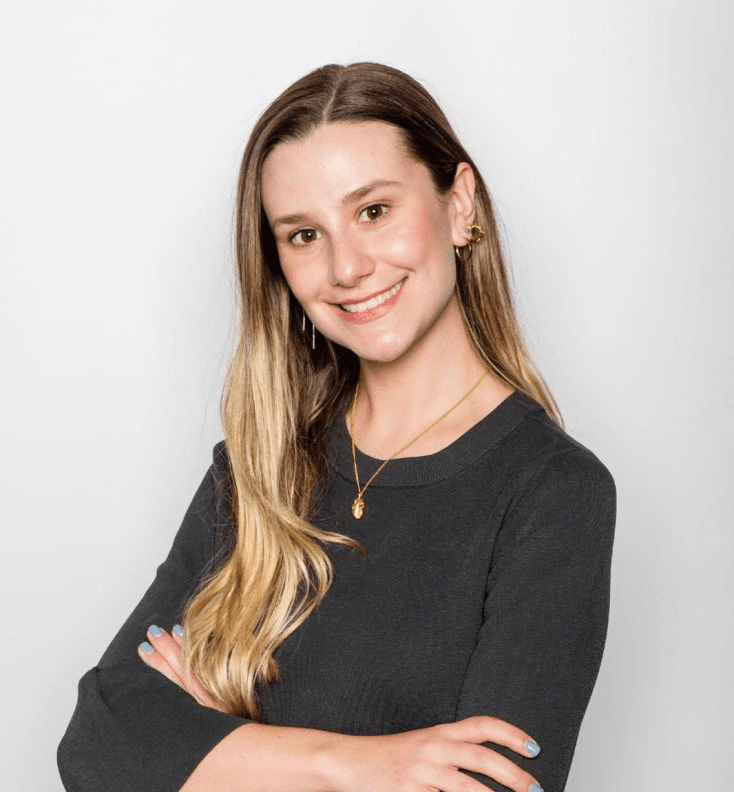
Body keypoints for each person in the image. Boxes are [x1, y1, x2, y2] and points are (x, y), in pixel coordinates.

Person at [57, 62, 616, 792]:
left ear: (459, 205)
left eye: (374, 211)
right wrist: (359, 765)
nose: (346, 266)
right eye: (302, 234)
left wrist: (219, 746)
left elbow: (485, 786)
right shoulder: (253, 471)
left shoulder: (552, 493)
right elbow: (98, 745)